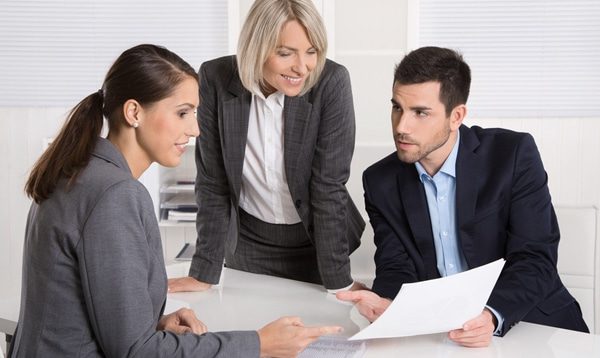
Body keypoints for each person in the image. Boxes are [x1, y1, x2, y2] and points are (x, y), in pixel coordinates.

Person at [9, 44, 341, 357]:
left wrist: (153, 325)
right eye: (182, 113)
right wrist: (258, 344)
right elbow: (136, 352)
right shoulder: (115, 195)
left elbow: (85, 312)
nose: (196, 129)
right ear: (134, 112)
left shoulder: (77, 173)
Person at [337, 46, 589, 347]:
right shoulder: (380, 180)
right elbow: (395, 266)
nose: (401, 126)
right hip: (444, 336)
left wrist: (491, 314)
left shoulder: (513, 155)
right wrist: (388, 304)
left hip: (532, 325)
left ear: (456, 116)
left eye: (420, 112)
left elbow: (534, 258)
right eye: (397, 108)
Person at [168, 0, 365, 294]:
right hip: (247, 244)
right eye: (286, 53)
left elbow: (328, 187)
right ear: (256, 47)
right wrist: (203, 273)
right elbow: (213, 183)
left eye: (312, 52)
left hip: (314, 242)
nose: (302, 67)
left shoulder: (331, 83)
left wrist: (340, 283)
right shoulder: (215, 79)